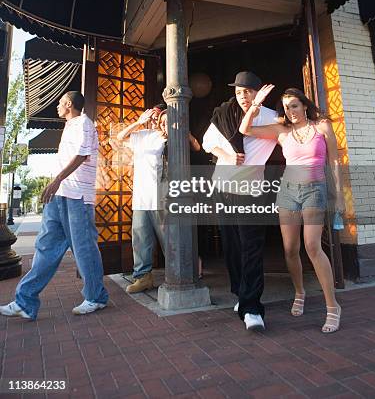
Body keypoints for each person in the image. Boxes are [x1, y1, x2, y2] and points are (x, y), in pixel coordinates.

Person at [240, 85, 346, 333]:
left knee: (312, 245)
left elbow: (334, 159)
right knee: (290, 248)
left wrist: (339, 195)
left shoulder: (322, 126)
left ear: (305, 105)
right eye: (286, 108)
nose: (290, 112)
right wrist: (256, 105)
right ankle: (299, 291)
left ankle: (333, 306)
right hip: (287, 191)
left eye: (294, 106)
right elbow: (245, 129)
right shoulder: (282, 130)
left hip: (314, 190)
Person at [0, 91, 108, 320]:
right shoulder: (69, 126)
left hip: (77, 196)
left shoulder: (84, 123)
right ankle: (25, 301)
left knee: (84, 247)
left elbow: (81, 155)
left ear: (69, 104)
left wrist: (56, 179)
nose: (57, 106)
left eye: (60, 103)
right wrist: (56, 184)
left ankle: (96, 297)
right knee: (46, 247)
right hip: (59, 196)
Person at [202, 71, 279, 331]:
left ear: (259, 91)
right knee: (232, 245)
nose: (242, 96)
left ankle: (253, 308)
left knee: (251, 247)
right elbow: (206, 143)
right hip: (222, 186)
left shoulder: (271, 117)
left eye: (247, 91)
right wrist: (227, 154)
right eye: (238, 92)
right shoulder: (224, 114)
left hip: (250, 189)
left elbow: (283, 138)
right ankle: (241, 293)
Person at [117, 109, 200, 293]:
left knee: (168, 236)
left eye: (161, 119)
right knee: (140, 238)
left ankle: (183, 271)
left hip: (162, 195)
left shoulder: (172, 139)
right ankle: (143, 277)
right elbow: (120, 137)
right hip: (141, 195)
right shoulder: (142, 135)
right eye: (154, 117)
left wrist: (179, 130)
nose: (157, 121)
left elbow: (196, 147)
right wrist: (139, 122)